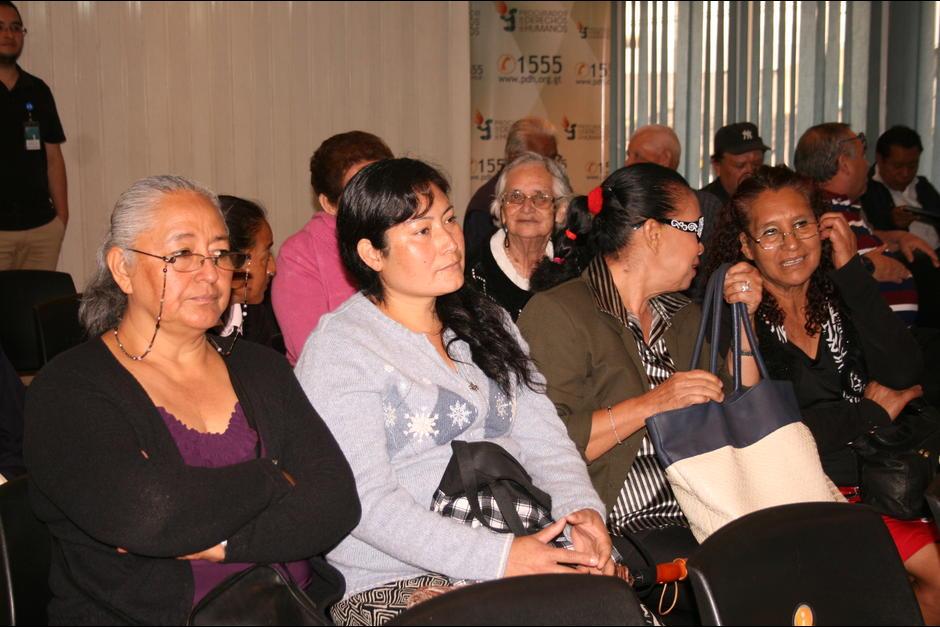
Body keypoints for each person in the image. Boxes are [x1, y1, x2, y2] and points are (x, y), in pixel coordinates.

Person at [24, 175, 360, 624]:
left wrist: (220, 543)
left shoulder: (261, 368)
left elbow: (337, 501)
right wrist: (276, 478)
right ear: (122, 269)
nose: (210, 273)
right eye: (182, 255)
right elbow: (150, 514)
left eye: (220, 254)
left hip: (296, 611)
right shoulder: (69, 388)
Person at [296, 158, 614, 626]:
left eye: (448, 220)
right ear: (371, 253)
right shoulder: (342, 349)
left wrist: (582, 514)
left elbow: (547, 440)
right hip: (400, 577)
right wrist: (500, 557)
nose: (448, 241)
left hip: (521, 538)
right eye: (421, 232)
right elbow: (365, 502)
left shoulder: (488, 321)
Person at [703, 164, 940, 624]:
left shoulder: (837, 296)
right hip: (800, 495)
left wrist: (852, 270)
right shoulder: (740, 315)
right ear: (747, 246)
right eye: (770, 233)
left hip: (879, 485)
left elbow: (905, 371)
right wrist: (870, 412)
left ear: (823, 227)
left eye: (801, 225)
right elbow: (771, 430)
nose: (791, 244)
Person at [519, 163, 763, 577]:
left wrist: (745, 322)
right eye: (693, 228)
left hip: (701, 517)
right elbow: (541, 447)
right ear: (652, 232)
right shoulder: (560, 312)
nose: (701, 245)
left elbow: (744, 413)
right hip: (615, 527)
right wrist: (653, 403)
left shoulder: (684, 316)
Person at [794, 122, 940, 328]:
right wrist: (867, 267)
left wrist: (897, 237)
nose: (867, 165)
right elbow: (815, 276)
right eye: (862, 156)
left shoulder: (842, 207)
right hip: (862, 350)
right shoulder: (815, 214)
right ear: (844, 164)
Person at [272, 130, 393, 365]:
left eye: (383, 188)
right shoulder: (300, 255)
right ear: (328, 203)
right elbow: (312, 353)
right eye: (360, 194)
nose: (377, 202)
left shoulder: (409, 234)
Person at [0, 0, 69, 271]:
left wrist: (61, 218)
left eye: (15, 28)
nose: (8, 34)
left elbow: (54, 158)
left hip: (41, 230)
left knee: (33, 309)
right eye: (1, 27)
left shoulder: (37, 90)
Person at [466, 152, 572, 320]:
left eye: (540, 197)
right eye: (515, 197)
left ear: (560, 211)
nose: (527, 207)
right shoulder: (469, 277)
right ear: (501, 211)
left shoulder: (575, 271)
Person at [464, 117, 563, 260]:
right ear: (513, 157)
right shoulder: (483, 208)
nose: (550, 166)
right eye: (540, 159)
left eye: (553, 158)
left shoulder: (558, 196)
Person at [218, 194, 283, 353]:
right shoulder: (193, 324)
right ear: (233, 260)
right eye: (265, 257)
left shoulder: (257, 317)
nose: (272, 269)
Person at [862, 125, 940, 250]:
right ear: (880, 159)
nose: (905, 173)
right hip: (900, 261)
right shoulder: (864, 189)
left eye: (912, 165)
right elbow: (865, 235)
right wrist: (892, 222)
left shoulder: (923, 187)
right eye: (898, 166)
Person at [697, 122, 769, 246]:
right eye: (740, 165)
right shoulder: (705, 206)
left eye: (757, 163)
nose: (750, 171)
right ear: (717, 166)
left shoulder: (769, 198)